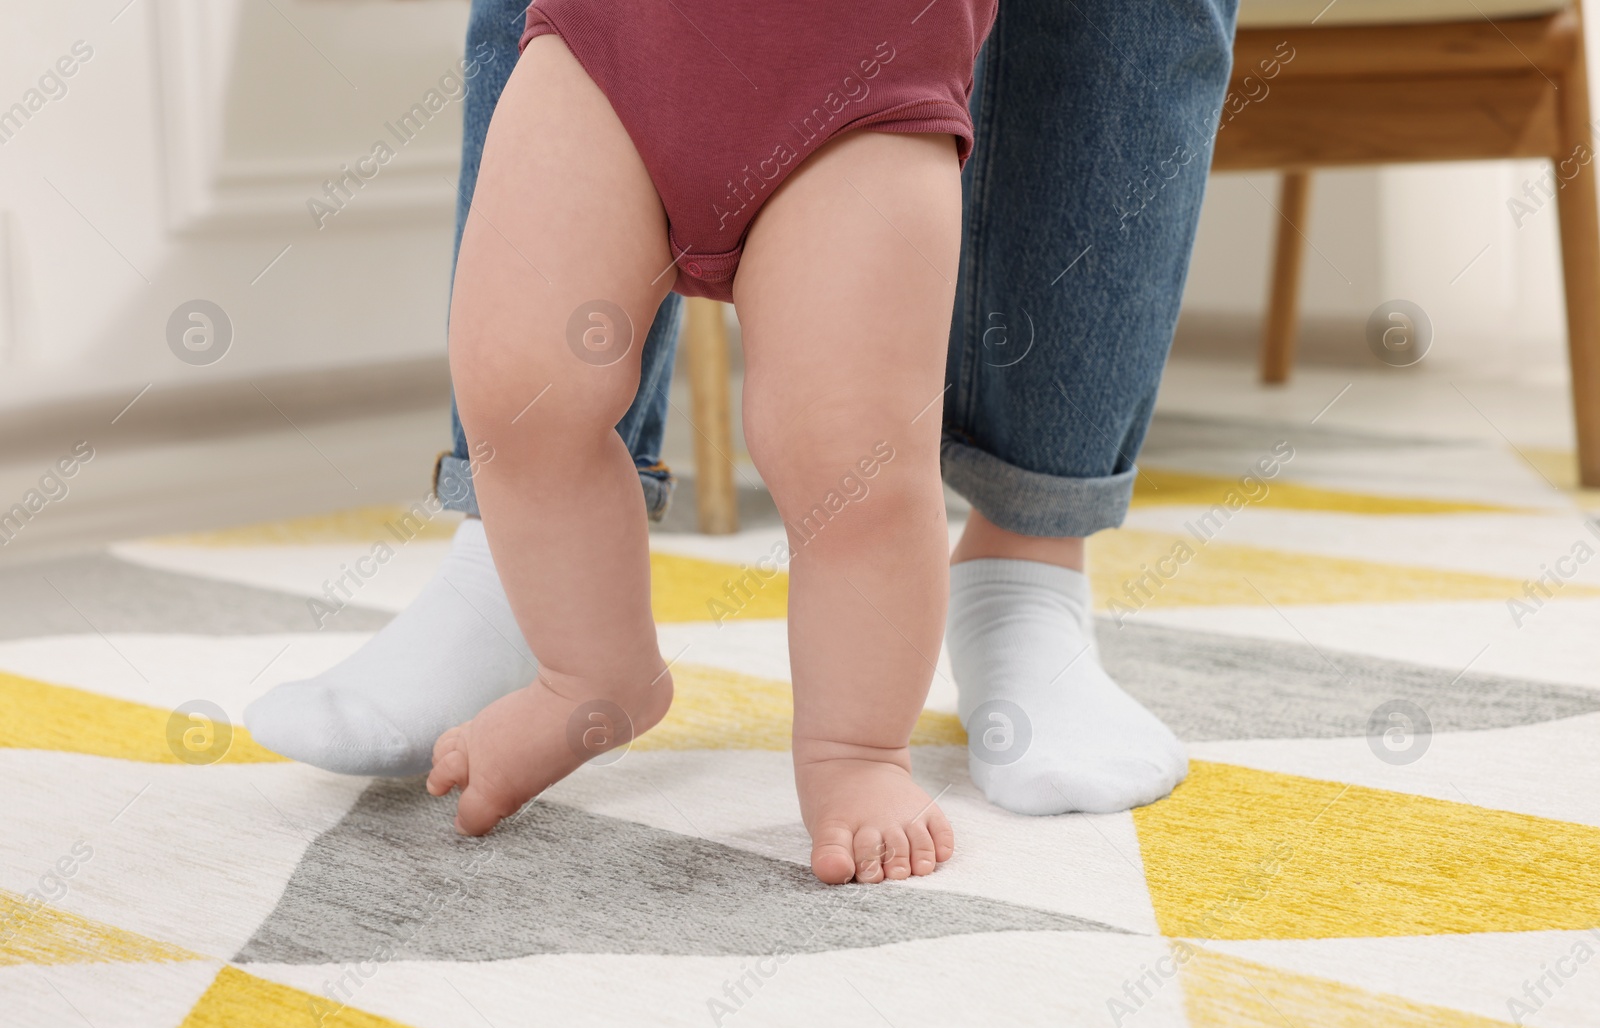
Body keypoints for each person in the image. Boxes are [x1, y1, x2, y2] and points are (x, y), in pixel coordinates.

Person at [246, 0, 1239, 864]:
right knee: (519, 381)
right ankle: (588, 669)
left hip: (866, 74)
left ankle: (857, 746)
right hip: (604, 43)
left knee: (846, 451)